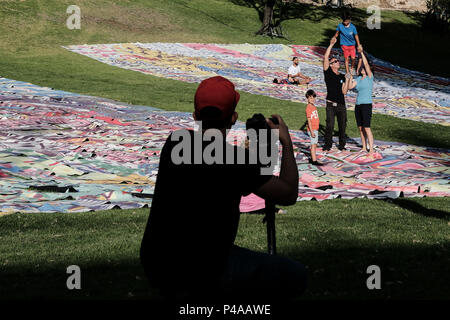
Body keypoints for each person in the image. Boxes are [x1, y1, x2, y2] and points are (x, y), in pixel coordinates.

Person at [140, 76, 307, 301]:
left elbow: (214, 159)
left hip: (160, 261)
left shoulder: (174, 143)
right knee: (295, 274)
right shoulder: (235, 161)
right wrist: (286, 142)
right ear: (233, 118)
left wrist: (255, 153)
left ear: (195, 116)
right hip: (205, 267)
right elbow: (287, 193)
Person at [322, 37, 350, 151]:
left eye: (338, 61)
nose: (338, 62)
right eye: (335, 61)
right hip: (330, 104)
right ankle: (327, 145)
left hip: (341, 105)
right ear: (331, 64)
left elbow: (344, 91)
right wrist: (331, 45)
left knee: (342, 127)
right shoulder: (328, 73)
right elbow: (325, 58)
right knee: (329, 126)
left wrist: (347, 79)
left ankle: (342, 146)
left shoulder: (342, 76)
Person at [346, 47, 375, 154]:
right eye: (361, 68)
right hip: (358, 105)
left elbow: (367, 65)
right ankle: (364, 147)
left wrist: (361, 52)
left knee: (367, 127)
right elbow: (349, 87)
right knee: (360, 128)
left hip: (366, 105)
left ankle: (371, 148)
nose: (362, 69)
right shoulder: (358, 79)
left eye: (363, 68)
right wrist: (348, 77)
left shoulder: (370, 77)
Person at [305, 89, 322, 166]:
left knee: (314, 144)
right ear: (307, 98)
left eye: (313, 98)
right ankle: (314, 160)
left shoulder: (313, 106)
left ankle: (313, 158)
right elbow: (309, 121)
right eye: (311, 98)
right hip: (313, 129)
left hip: (315, 129)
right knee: (313, 145)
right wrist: (311, 131)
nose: (312, 100)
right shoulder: (308, 108)